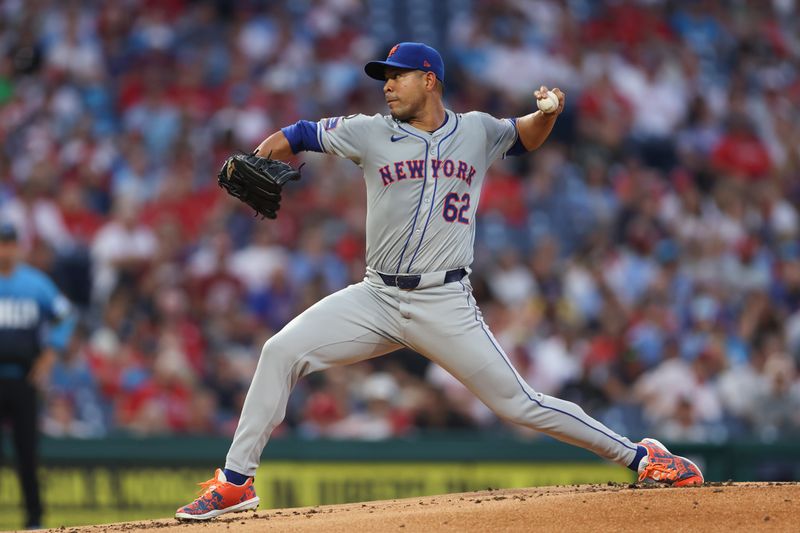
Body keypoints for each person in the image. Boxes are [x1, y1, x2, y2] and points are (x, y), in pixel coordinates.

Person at [177, 43, 703, 520]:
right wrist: (259, 156)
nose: (386, 85)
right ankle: (237, 481)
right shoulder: (368, 130)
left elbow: (525, 136)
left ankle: (641, 455)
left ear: (429, 80)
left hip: (443, 299)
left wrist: (549, 113)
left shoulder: (475, 130)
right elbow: (300, 134)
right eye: (384, 77)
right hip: (376, 295)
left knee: (518, 404)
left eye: (397, 76)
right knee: (280, 351)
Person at [0, 222, 76, 529]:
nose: (5, 249)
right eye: (1, 243)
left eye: (9, 243)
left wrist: (50, 354)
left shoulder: (35, 284)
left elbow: (66, 315)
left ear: (18, 247)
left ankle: (35, 519)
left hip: (23, 378)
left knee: (27, 452)